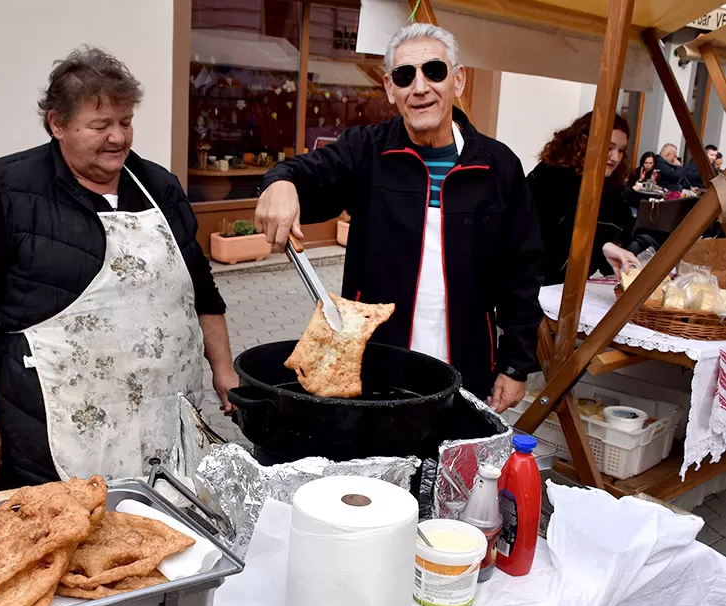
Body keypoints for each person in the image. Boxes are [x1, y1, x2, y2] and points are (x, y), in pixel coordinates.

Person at [0, 47, 239, 489]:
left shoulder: (159, 187)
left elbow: (201, 289)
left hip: (163, 423)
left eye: (125, 122)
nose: (118, 138)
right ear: (57, 124)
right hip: (55, 434)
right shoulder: (9, 193)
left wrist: (224, 371)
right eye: (100, 125)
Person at [255, 24, 543, 413]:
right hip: (377, 362)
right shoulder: (366, 152)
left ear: (458, 80)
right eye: (406, 76)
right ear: (391, 89)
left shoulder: (498, 166)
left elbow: (521, 274)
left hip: (468, 364)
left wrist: (515, 365)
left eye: (434, 71)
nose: (420, 87)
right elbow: (303, 174)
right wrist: (278, 183)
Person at [528, 112, 658, 286]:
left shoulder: (608, 185)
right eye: (609, 148)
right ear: (585, 142)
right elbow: (553, 231)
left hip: (565, 285)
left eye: (620, 150)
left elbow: (621, 226)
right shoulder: (551, 175)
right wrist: (604, 246)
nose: (615, 157)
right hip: (534, 282)